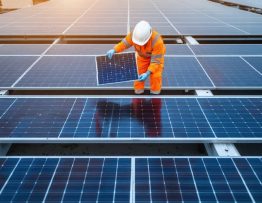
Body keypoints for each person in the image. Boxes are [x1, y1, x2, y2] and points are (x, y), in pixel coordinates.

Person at [106, 21, 166, 95]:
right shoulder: (134, 35)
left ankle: (155, 95)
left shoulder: (157, 41)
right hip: (142, 58)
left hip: (156, 59)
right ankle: (138, 94)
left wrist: (147, 73)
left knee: (156, 76)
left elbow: (156, 61)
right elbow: (124, 44)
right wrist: (114, 49)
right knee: (138, 75)